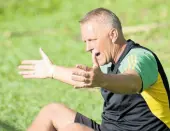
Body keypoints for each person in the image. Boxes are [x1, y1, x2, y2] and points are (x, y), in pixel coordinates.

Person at [18, 8, 170, 131]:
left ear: (113, 35)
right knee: (52, 111)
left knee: (74, 130)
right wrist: (52, 70)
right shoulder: (106, 61)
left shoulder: (140, 58)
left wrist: (102, 80)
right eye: (85, 41)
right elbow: (86, 77)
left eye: (91, 40)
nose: (87, 47)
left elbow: (133, 82)